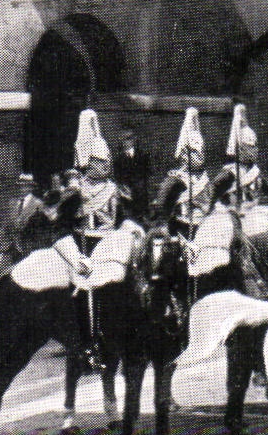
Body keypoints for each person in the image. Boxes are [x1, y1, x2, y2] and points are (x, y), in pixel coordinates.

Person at [52, 110, 145, 370]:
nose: (105, 167)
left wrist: (132, 228)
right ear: (87, 163)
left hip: (110, 243)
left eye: (106, 163)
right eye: (98, 163)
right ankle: (85, 347)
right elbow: (60, 227)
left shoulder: (116, 190)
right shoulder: (75, 192)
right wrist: (74, 256)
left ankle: (122, 340)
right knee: (81, 295)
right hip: (82, 246)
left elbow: (123, 217)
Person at [156, 108, 216, 237]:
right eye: (194, 152)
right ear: (184, 154)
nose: (199, 156)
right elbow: (162, 204)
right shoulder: (176, 179)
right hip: (181, 228)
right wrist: (164, 223)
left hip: (204, 227)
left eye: (201, 151)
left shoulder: (204, 177)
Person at [214, 104, 268, 212]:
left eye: (254, 147)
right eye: (248, 148)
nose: (253, 151)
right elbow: (215, 189)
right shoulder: (229, 172)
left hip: (252, 213)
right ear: (240, 150)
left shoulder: (255, 172)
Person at [112, 128, 152, 212]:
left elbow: (147, 173)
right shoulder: (118, 159)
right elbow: (117, 177)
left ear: (134, 139)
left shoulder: (143, 156)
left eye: (128, 138)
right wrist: (123, 187)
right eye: (123, 139)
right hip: (125, 191)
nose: (126, 142)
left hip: (141, 190)